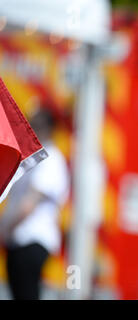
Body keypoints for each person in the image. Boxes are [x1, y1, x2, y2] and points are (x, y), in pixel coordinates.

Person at [0, 107, 70, 300]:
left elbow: (29, 204)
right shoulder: (36, 158)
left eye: (35, 123)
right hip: (20, 239)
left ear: (48, 127)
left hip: (32, 239)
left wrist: (4, 230)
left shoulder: (52, 159)